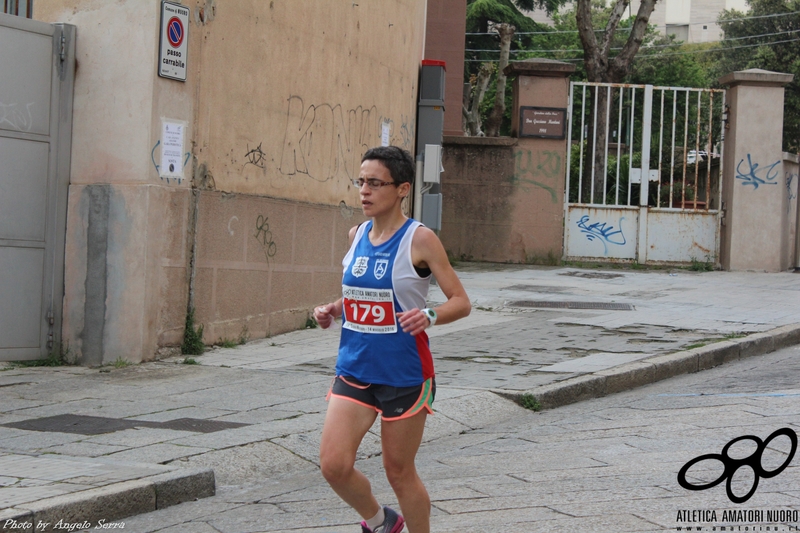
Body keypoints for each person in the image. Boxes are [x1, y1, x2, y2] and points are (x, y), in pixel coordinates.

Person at [314, 146, 471, 533]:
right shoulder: (357, 234)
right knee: (333, 465)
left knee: (398, 471)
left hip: (404, 373)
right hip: (355, 366)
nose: (364, 191)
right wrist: (334, 310)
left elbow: (461, 302)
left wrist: (430, 315)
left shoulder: (420, 240)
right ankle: (382, 522)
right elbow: (359, 296)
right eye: (361, 181)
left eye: (375, 183)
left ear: (402, 188)